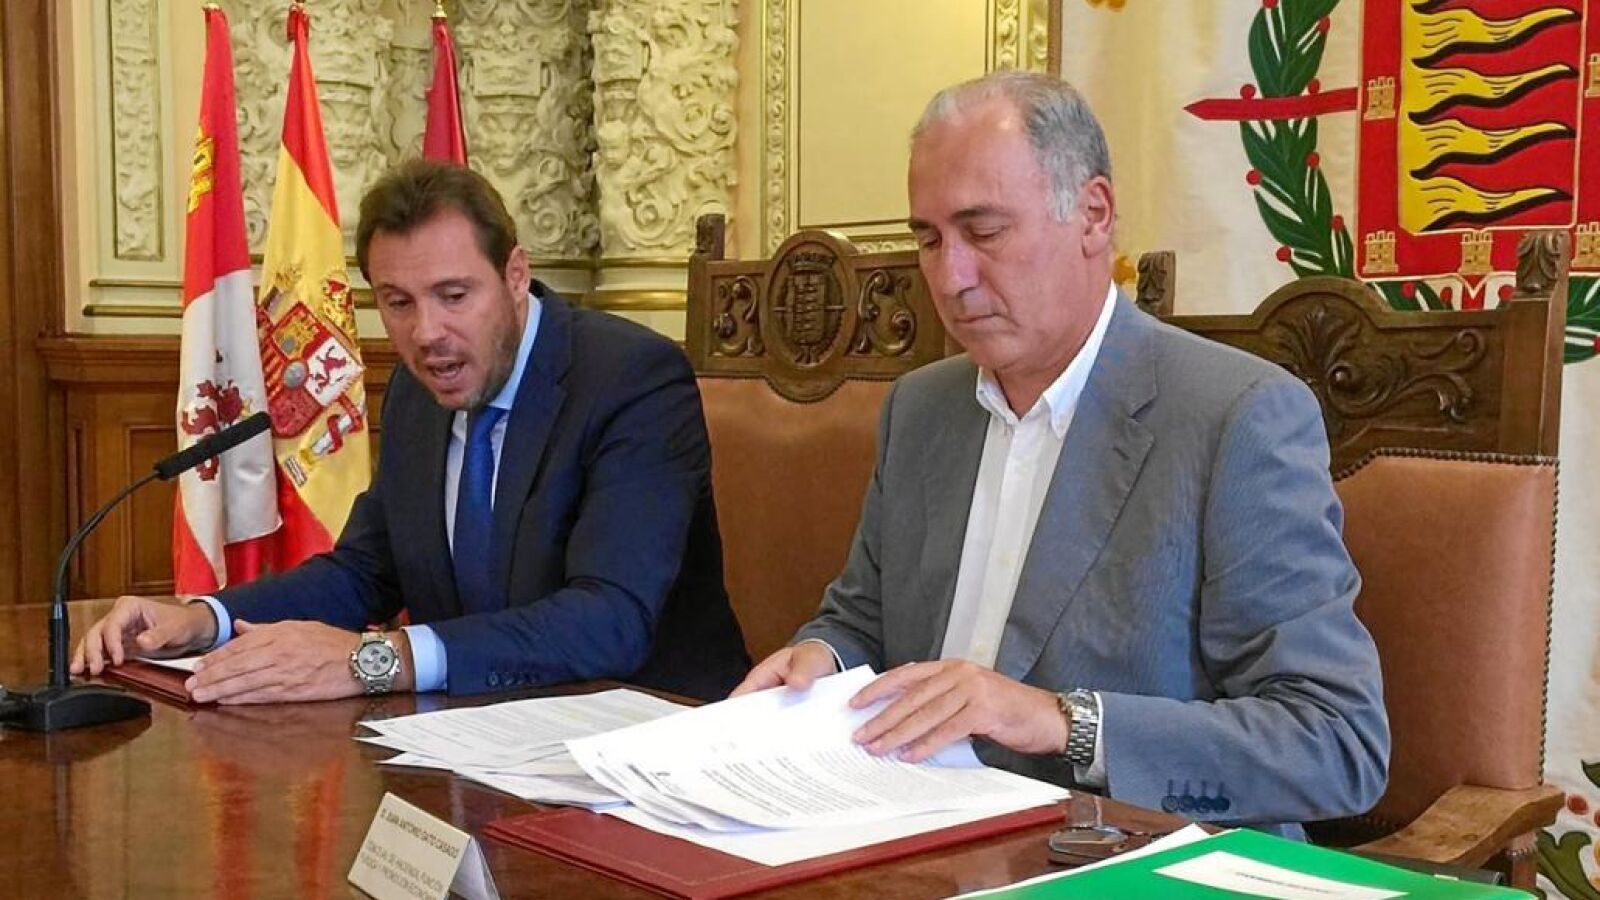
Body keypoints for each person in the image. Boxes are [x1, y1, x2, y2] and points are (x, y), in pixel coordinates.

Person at [733, 71, 1388, 834]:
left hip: (1123, 851)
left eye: (984, 232)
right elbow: (862, 618)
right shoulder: (921, 408)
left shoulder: (1236, 417)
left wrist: (1059, 721)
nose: (951, 278)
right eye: (929, 240)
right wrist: (822, 660)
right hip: (910, 826)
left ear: (1093, 214)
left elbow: (1335, 741)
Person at [73, 160, 749, 703]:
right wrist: (204, 618)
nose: (427, 334)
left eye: (454, 296)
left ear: (516, 276)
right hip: (481, 736)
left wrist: (373, 660)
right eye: (398, 303)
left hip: (648, 737)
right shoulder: (417, 394)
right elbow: (367, 571)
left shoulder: (630, 380)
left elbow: (609, 621)